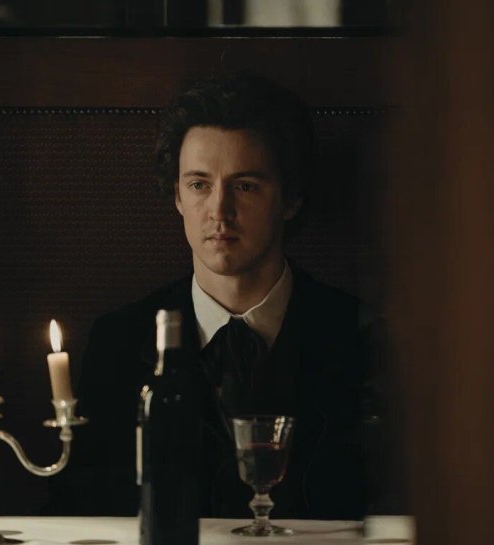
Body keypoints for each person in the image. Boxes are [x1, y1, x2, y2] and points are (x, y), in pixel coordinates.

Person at [44, 72, 373, 520]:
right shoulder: (118, 341)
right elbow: (77, 510)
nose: (219, 211)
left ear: (291, 198)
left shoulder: (361, 335)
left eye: (245, 185)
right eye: (200, 184)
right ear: (177, 196)